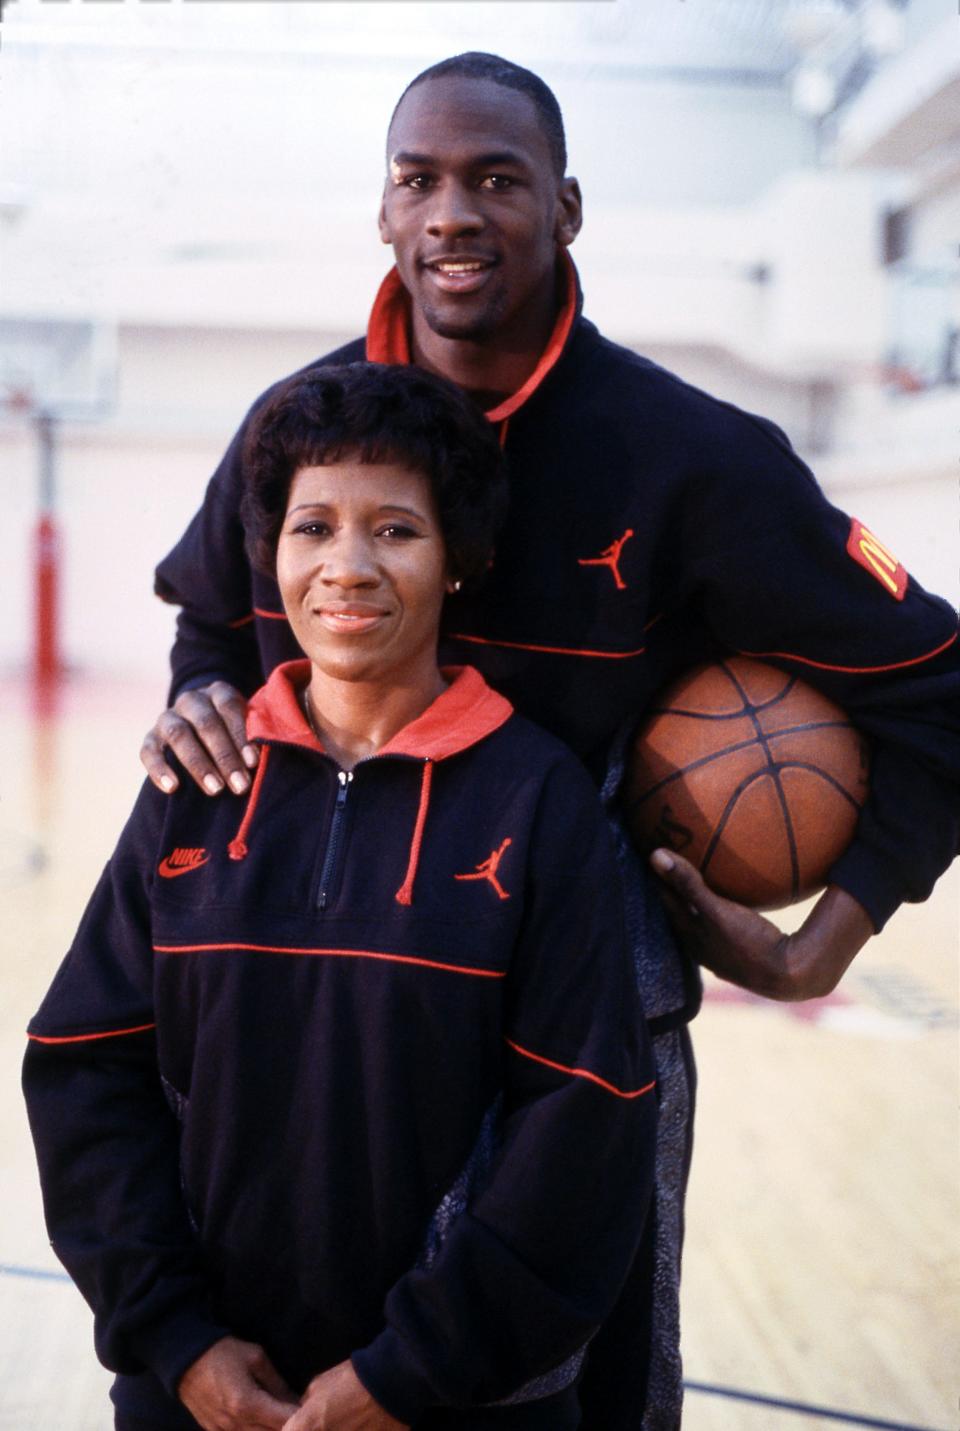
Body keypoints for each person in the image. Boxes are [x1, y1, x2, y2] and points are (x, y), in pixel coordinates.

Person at [139, 53, 960, 1431]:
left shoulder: (689, 457)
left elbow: (935, 683)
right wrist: (200, 696)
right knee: (288, 1356)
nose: (453, 212)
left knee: (570, 1382)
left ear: (567, 208)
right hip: (312, 966)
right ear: (386, 211)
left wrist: (833, 932)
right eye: (421, 179)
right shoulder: (298, 431)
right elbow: (213, 624)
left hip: (569, 988)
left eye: (496, 179)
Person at [24, 362, 658, 1431]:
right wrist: (177, 1341)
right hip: (200, 1395)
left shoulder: (537, 798)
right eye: (313, 527)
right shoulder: (198, 786)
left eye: (396, 531)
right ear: (270, 557)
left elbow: (587, 1122)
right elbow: (86, 1072)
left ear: (460, 558)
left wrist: (410, 1371)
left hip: (462, 1404)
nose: (347, 567)